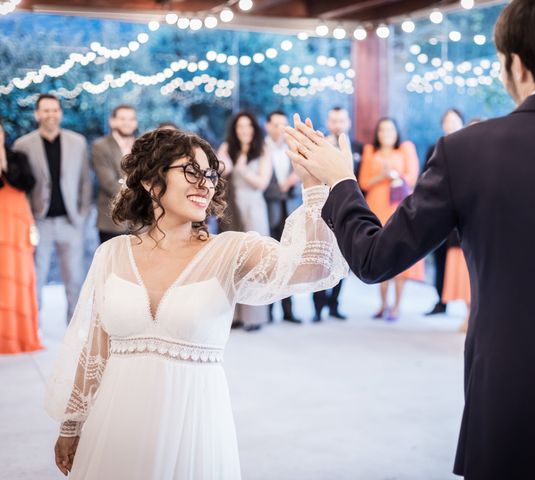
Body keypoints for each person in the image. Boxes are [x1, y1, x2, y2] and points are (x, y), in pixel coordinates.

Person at [285, 0, 535, 477]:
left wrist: (340, 182)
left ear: (513, 63)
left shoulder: (465, 152)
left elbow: (373, 259)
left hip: (505, 390)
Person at [47, 128, 347, 479]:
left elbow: (315, 267)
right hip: (115, 424)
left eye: (209, 174)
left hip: (193, 429)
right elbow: (94, 348)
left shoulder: (230, 251)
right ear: (149, 180)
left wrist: (314, 187)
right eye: (190, 171)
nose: (204, 184)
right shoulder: (112, 254)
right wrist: (71, 425)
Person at [13, 94, 92, 324]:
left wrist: (83, 211)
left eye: (55, 110)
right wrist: (27, 218)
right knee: (35, 278)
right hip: (40, 221)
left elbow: (85, 181)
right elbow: (22, 187)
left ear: (61, 113)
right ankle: (32, 326)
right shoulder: (23, 145)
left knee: (75, 278)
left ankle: (74, 326)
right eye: (45, 110)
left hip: (70, 220)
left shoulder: (77, 142)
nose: (51, 115)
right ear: (37, 114)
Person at [356, 118, 422, 321]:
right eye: (382, 129)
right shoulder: (370, 151)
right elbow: (364, 182)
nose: (386, 133)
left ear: (396, 131)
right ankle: (382, 303)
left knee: (400, 252)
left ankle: (397, 305)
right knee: (379, 252)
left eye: (390, 129)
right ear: (377, 132)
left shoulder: (405, 149)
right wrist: (382, 176)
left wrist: (395, 174)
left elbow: (412, 177)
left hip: (398, 206)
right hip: (376, 205)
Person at [218, 112, 272, 332]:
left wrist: (243, 170)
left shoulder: (263, 150)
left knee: (256, 262)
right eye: (240, 127)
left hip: (254, 208)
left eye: (248, 126)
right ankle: (234, 316)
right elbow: (218, 170)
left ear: (254, 128)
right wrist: (228, 167)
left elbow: (262, 183)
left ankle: (254, 316)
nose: (244, 131)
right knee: (232, 264)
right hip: (231, 207)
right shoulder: (226, 147)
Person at [312, 106, 363, 322]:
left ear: (348, 122)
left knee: (344, 256)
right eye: (333, 120)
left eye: (341, 120)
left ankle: (334, 305)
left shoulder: (359, 147)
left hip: (348, 207)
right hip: (323, 207)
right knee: (321, 257)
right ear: (328, 121)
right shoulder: (320, 146)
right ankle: (318, 307)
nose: (337, 125)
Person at [0, 121, 43, 354]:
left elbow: (28, 183)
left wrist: (4, 165)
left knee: (18, 274)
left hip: (16, 220)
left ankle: (19, 336)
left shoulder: (17, 157)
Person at [423, 108, 465, 316]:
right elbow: (425, 178)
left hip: (463, 212)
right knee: (439, 257)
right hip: (439, 211)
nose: (450, 124)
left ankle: (469, 306)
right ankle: (440, 300)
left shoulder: (469, 145)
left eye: (454, 120)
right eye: (447, 121)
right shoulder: (434, 147)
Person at [263, 110, 303, 324]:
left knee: (288, 262)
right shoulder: (260, 148)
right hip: (268, 210)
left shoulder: (293, 146)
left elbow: (302, 171)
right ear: (267, 126)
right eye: (276, 124)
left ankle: (289, 311)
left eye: (283, 125)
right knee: (268, 263)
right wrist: (280, 188)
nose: (280, 128)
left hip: (290, 209)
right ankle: (267, 311)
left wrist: (291, 181)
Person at [93, 105, 137, 244]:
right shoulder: (101, 146)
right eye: (122, 118)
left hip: (139, 221)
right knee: (112, 263)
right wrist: (141, 192)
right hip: (112, 220)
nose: (127, 123)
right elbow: (108, 183)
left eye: (131, 119)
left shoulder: (141, 145)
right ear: (112, 121)